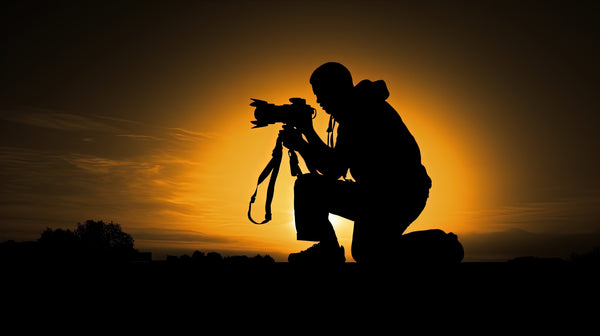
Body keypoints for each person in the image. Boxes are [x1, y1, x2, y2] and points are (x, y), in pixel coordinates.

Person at [279, 62, 432, 264]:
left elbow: (333, 168)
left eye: (320, 92)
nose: (317, 100)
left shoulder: (361, 112)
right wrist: (307, 133)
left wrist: (302, 142)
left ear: (334, 88)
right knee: (366, 253)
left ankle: (439, 243)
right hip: (378, 194)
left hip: (398, 195)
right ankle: (329, 249)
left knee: (308, 187)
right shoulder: (357, 108)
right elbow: (335, 164)